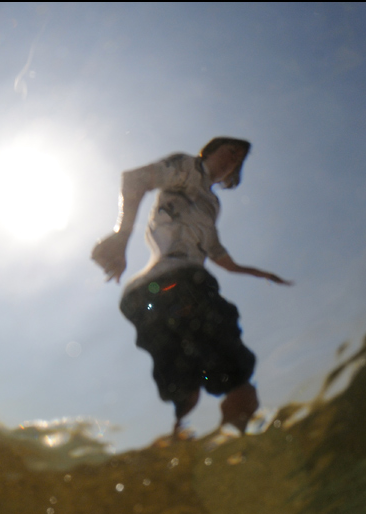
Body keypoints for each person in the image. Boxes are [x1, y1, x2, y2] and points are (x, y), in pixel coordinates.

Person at [92, 137, 291, 436]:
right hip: (179, 284)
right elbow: (135, 179)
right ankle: (240, 427)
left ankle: (176, 433)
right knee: (233, 367)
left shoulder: (211, 205)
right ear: (210, 150)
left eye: (238, 160)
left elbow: (219, 255)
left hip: (143, 298)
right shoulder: (188, 168)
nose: (232, 161)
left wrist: (260, 273)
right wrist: (121, 237)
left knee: (183, 384)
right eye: (231, 151)